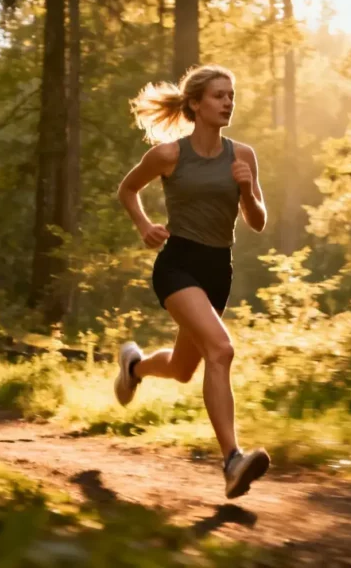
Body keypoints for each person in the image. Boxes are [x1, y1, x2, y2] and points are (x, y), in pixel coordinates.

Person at [115, 65, 271, 499]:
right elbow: (127, 189)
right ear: (196, 104)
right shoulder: (169, 155)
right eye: (219, 95)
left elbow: (258, 222)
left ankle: (134, 367)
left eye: (231, 95)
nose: (228, 102)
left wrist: (247, 191)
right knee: (221, 350)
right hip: (178, 265)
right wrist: (144, 225)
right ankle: (232, 460)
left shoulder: (243, 156)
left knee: (184, 370)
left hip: (218, 270)